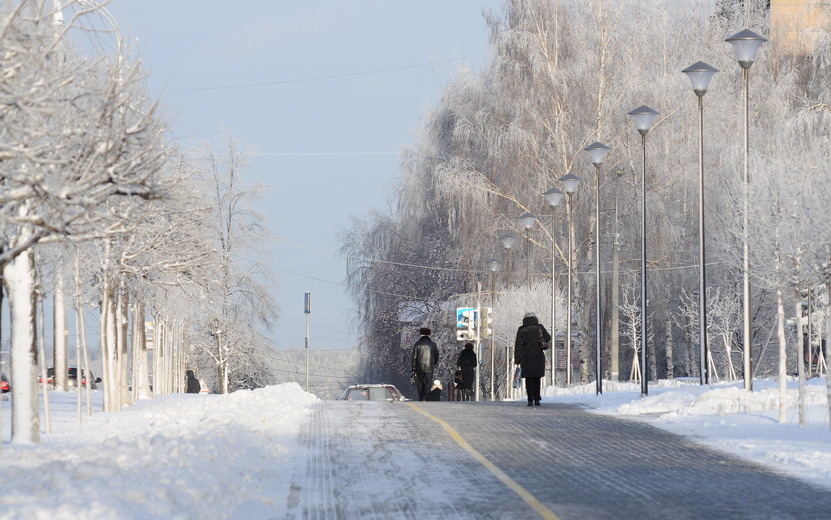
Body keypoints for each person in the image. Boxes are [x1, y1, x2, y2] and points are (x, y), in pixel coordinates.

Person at [514, 312, 551, 407]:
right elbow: (548, 338)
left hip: (526, 356)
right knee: (537, 378)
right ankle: (537, 399)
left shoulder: (521, 329)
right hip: (538, 355)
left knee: (529, 378)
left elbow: (518, 345)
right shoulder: (539, 327)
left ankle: (530, 400)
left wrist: (517, 359)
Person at [411, 327, 439, 401]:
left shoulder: (417, 344)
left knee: (420, 383)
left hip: (419, 367)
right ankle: (427, 397)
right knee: (428, 382)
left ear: (420, 334)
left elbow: (414, 357)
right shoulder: (433, 344)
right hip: (429, 367)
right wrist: (434, 363)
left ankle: (421, 397)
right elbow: (436, 355)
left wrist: (413, 368)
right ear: (429, 334)